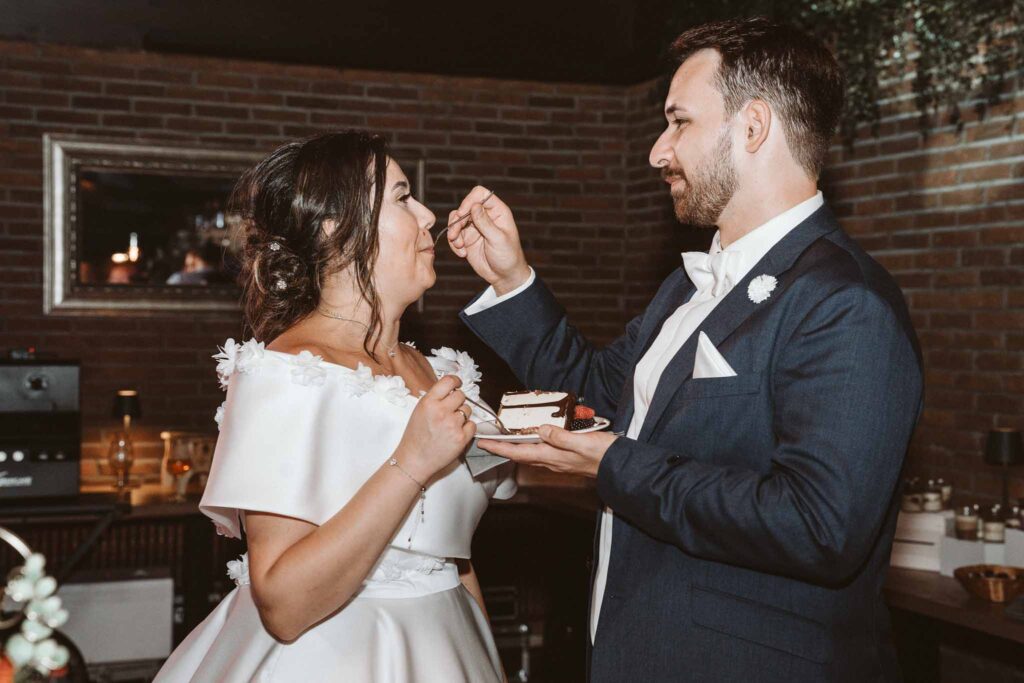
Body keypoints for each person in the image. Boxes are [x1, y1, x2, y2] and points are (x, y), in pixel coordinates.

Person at [449, 17, 922, 682]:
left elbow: (819, 526)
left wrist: (616, 464)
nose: (657, 151)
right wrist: (511, 278)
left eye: (679, 122)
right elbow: (599, 397)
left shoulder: (845, 302)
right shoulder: (684, 286)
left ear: (752, 127)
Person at [154, 131, 514, 682]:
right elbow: (283, 605)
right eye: (401, 197)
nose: (428, 215)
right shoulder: (286, 373)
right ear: (335, 228)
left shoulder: (444, 373)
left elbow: (454, 560)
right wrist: (411, 464)